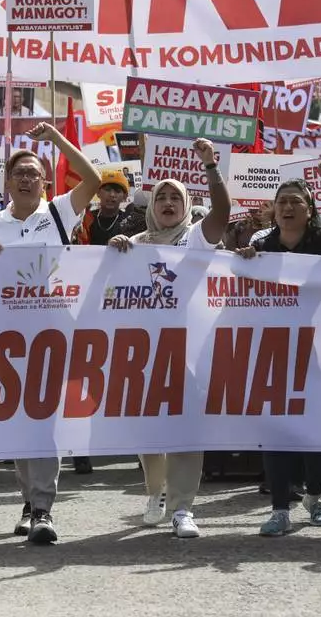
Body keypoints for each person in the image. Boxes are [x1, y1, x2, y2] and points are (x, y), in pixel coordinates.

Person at [0, 121, 102, 544]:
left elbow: (96, 179)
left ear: (45, 181)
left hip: (53, 331)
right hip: (9, 336)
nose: (27, 178)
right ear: (7, 183)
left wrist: (57, 140)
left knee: (45, 419)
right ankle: (29, 500)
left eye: (34, 172)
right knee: (18, 421)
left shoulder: (59, 211)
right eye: (19, 173)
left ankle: (44, 510)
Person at [108, 139, 231, 538]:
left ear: (185, 205)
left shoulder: (193, 239)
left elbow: (223, 212)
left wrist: (210, 164)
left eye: (174, 196)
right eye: (160, 195)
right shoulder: (135, 245)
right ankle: (155, 492)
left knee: (183, 430)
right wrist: (114, 256)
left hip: (188, 351)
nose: (166, 201)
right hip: (143, 353)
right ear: (151, 207)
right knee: (148, 432)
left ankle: (182, 508)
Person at [234, 160, 321, 537]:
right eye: (282, 201)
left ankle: (316, 496)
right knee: (277, 431)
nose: (287, 208)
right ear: (273, 208)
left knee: (315, 428)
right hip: (273, 350)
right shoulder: (261, 246)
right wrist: (243, 263)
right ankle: (279, 508)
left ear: (309, 209)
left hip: (319, 346)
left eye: (295, 202)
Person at [75, 169, 136, 247]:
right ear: (98, 192)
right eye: (107, 189)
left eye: (117, 191)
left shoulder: (129, 222)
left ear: (124, 196)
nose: (112, 195)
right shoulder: (86, 219)